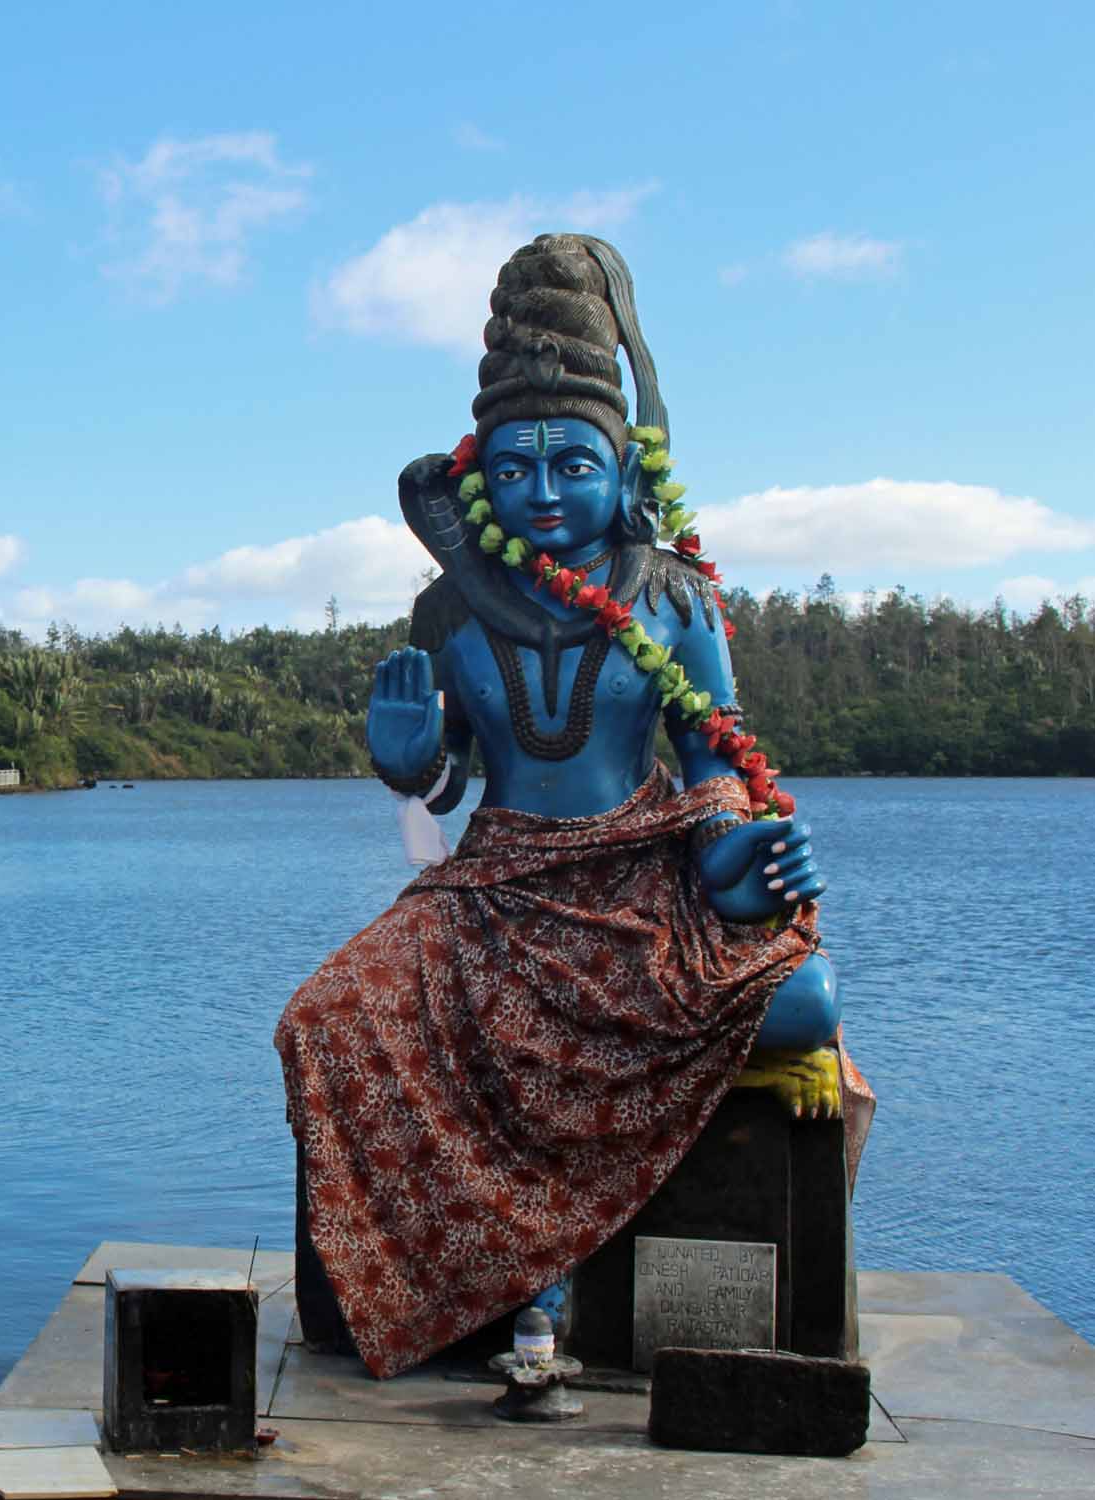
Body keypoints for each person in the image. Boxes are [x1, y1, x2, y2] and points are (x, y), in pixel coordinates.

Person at [274, 234, 871, 1379]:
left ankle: (552, 1278)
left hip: (643, 871)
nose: (543, 494)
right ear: (478, 476)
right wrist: (410, 762)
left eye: (572, 464)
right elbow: (444, 787)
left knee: (801, 1002)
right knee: (323, 1020)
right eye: (515, 469)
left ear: (625, 469)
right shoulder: (450, 611)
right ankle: (445, 1286)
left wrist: (735, 859)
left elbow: (711, 759)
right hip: (495, 883)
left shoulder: (673, 596)